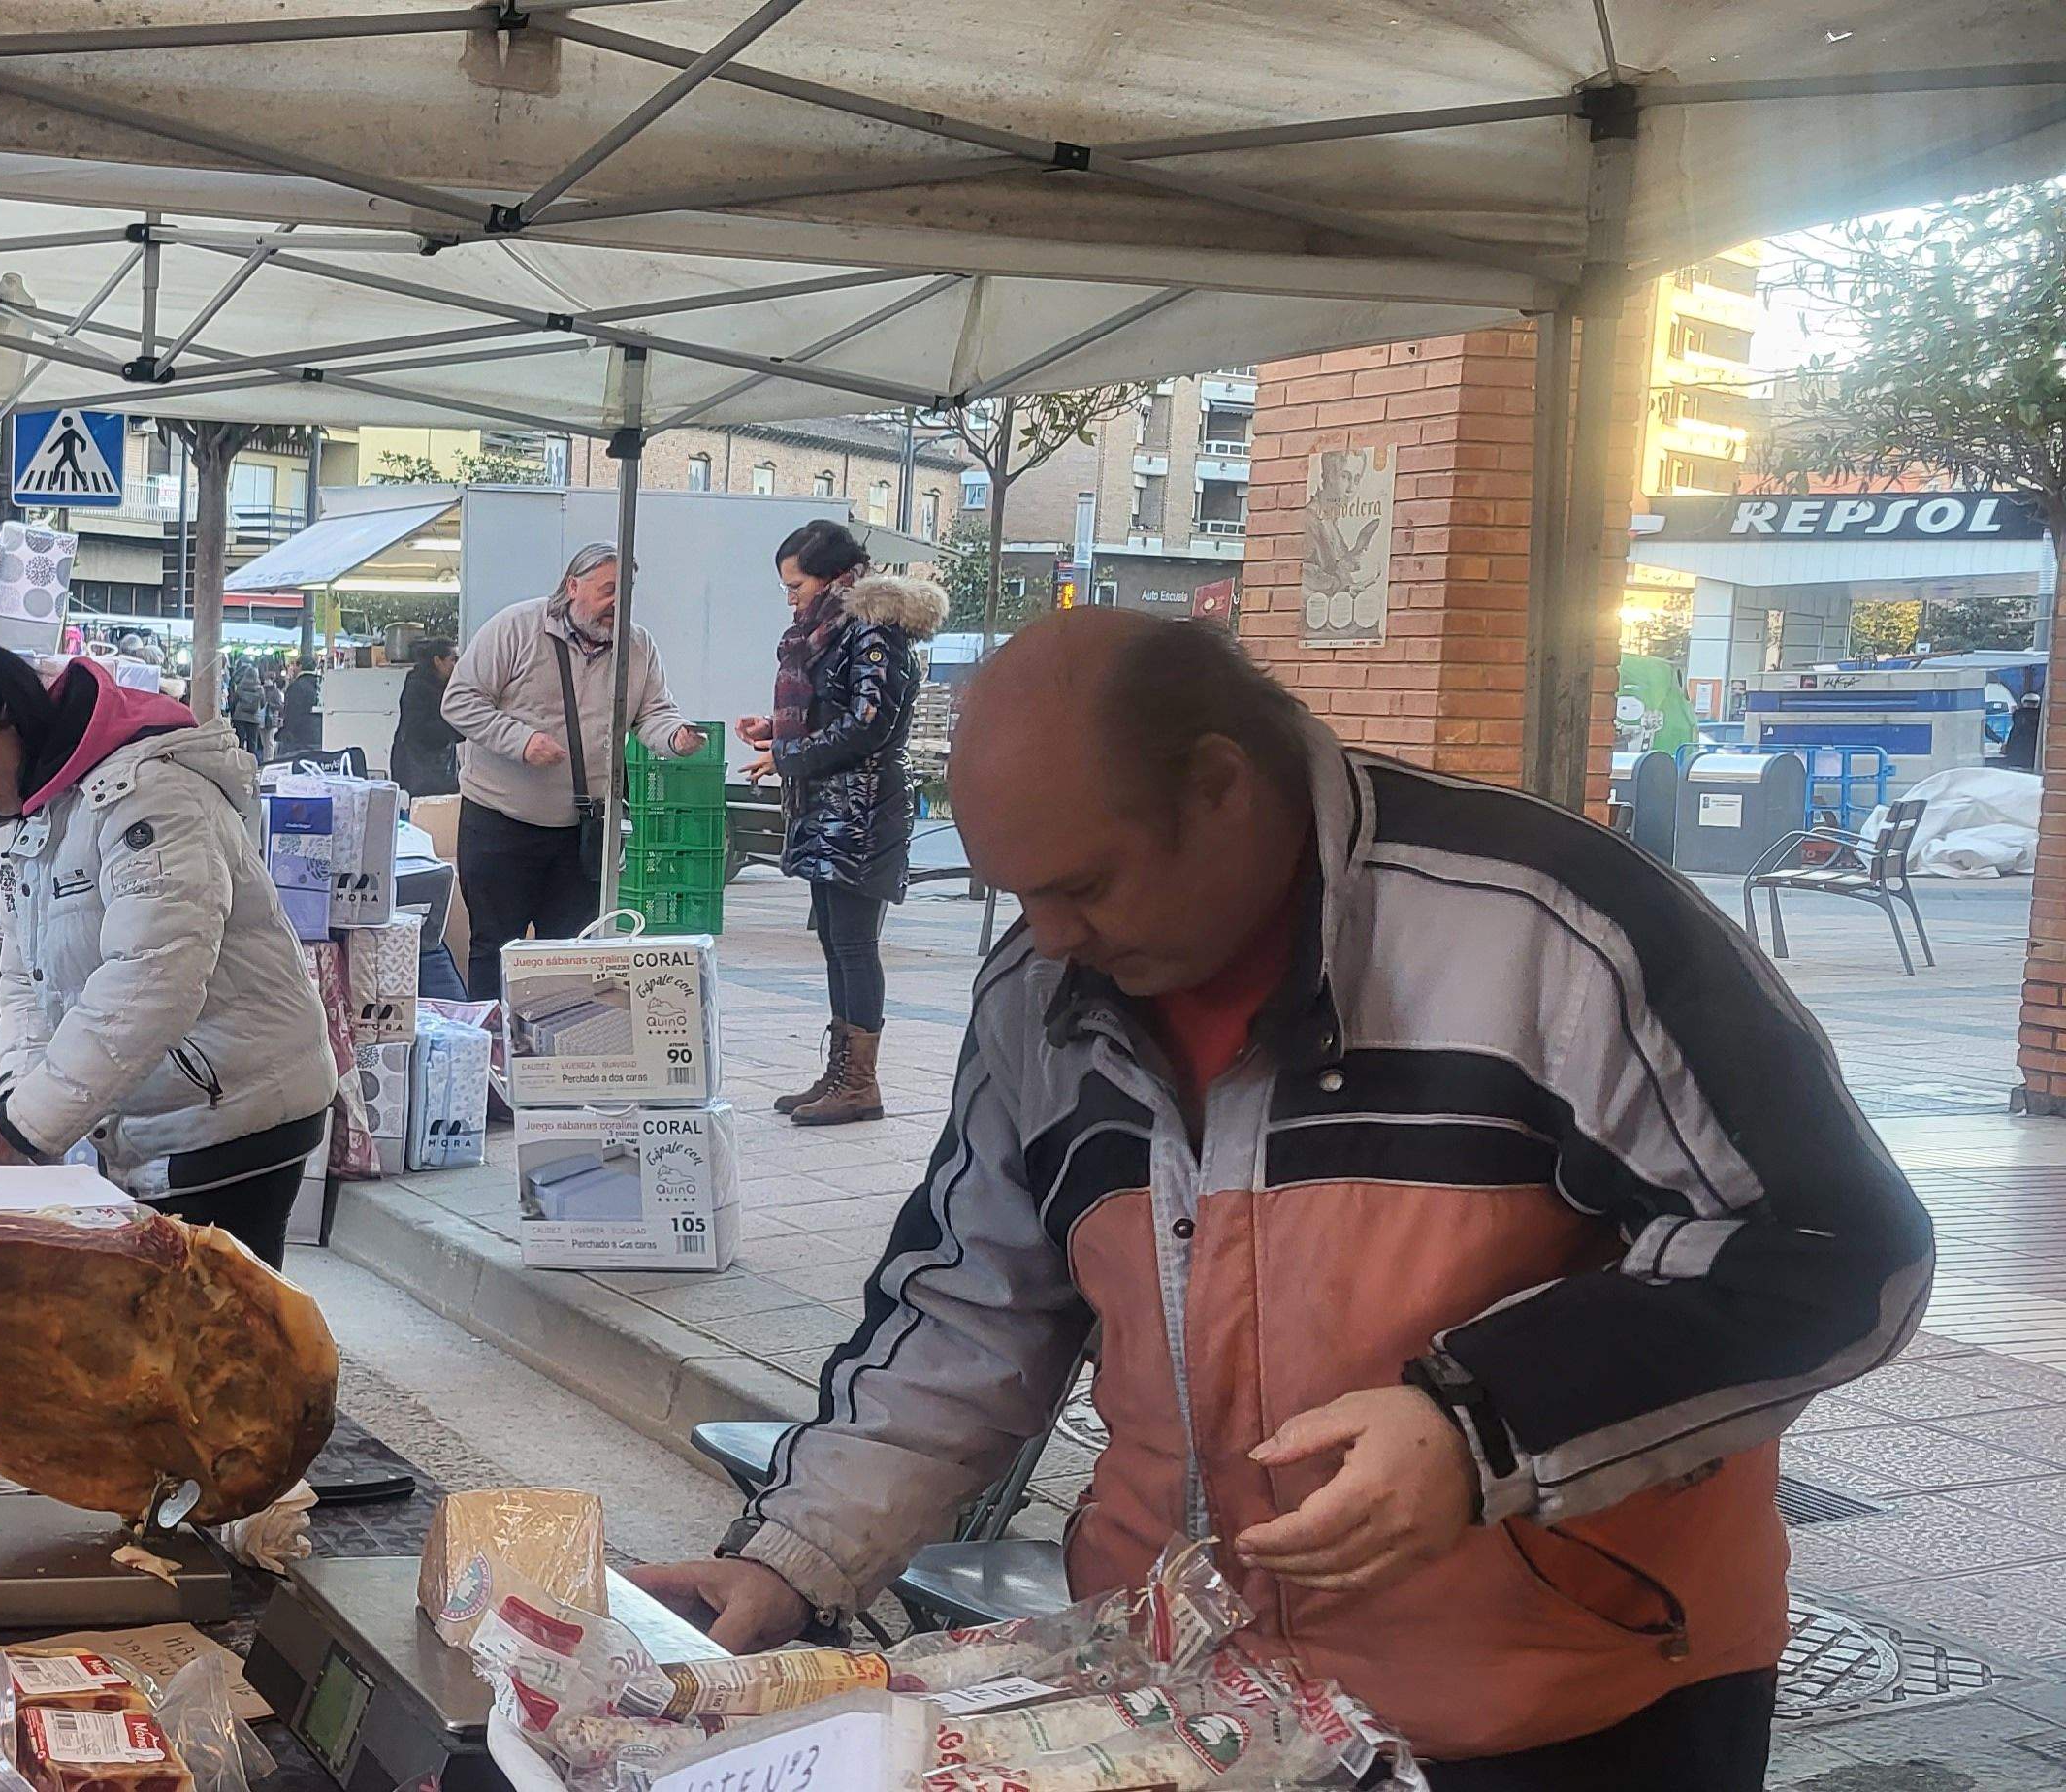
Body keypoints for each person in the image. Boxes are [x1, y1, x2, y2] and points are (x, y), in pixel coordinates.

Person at [629, 611, 1934, 1790]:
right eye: (1014, 893)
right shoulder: (1039, 989)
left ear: (1220, 784)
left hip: (1566, 1712)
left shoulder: (1551, 929)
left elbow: (1834, 1251)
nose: (1049, 936)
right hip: (1185, 1709)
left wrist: (1480, 1422)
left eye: (1082, 884)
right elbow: (970, 1309)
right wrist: (789, 1559)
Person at [0, 638, 336, 1264]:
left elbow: (151, 980)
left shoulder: (152, 797)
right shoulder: (38, 820)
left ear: (8, 716)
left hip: (237, 1109)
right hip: (155, 1112)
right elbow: (26, 979)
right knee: (160, 1328)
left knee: (220, 1335)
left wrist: (31, 1121)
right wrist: (19, 1103)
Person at [730, 520, 943, 1127]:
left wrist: (787, 755)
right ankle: (842, 1073)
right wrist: (778, 732)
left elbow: (871, 725)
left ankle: (860, 1083)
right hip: (829, 807)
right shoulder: (828, 632)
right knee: (834, 944)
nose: (790, 595)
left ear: (830, 576)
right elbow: (837, 711)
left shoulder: (872, 629)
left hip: (863, 809)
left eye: (795, 583)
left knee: (853, 946)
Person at [436, 541, 701, 999]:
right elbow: (459, 702)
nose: (617, 604)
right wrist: (521, 742)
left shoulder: (637, 646)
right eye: (607, 591)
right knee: (496, 947)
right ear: (572, 586)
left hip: (582, 831)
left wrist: (677, 736)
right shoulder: (515, 628)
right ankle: (491, 1056)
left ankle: (557, 1055)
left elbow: (653, 712)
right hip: (501, 822)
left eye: (627, 592)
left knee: (573, 952)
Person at [390, 640, 464, 797]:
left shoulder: (446, 687)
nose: (456, 665)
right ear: (438, 661)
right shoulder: (418, 687)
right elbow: (418, 729)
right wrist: (457, 730)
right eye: (453, 660)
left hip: (439, 764)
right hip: (418, 767)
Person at [223, 653, 270, 758]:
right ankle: (251, 762)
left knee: (239, 741)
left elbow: (234, 701)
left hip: (240, 717)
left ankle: (238, 761)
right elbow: (262, 703)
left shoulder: (240, 686)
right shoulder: (260, 689)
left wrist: (231, 711)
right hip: (254, 718)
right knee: (252, 743)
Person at [276, 656, 324, 755]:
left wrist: (286, 732)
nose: (292, 669)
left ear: (300, 666)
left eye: (294, 665)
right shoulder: (322, 683)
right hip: (321, 734)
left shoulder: (296, 686)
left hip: (299, 737)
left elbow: (291, 713)